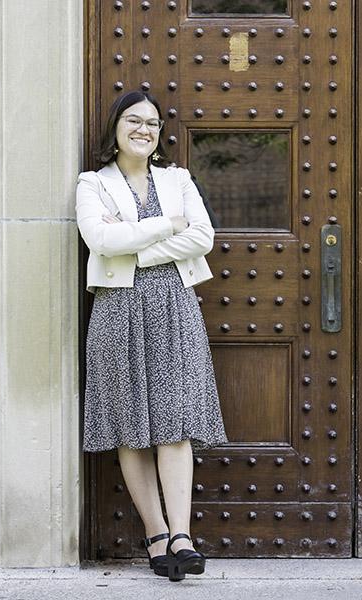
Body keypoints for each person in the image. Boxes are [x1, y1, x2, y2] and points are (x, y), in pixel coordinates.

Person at [76, 91, 227, 582]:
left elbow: (201, 237)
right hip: (117, 310)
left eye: (153, 123)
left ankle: (182, 535)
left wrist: (137, 245)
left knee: (176, 420)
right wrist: (165, 226)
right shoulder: (92, 184)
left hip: (172, 306)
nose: (144, 129)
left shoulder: (177, 178)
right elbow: (100, 240)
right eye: (134, 120)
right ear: (115, 127)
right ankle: (156, 534)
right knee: (130, 425)